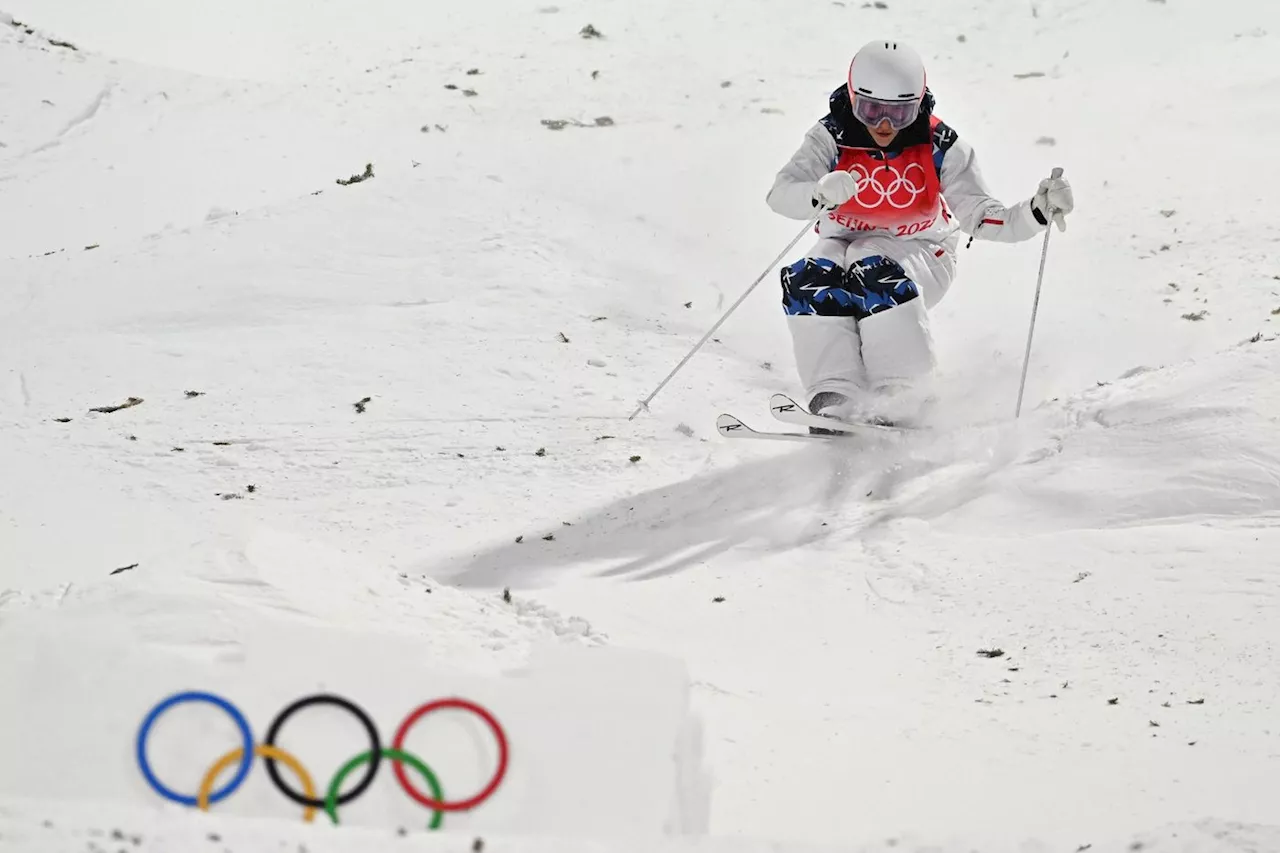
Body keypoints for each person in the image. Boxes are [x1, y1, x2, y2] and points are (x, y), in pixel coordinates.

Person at [766, 39, 1074, 432]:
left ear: (919, 105)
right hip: (843, 246)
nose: (883, 125)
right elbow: (780, 194)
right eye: (871, 109)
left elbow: (981, 216)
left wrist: (1036, 212)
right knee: (809, 275)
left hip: (924, 254)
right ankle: (835, 393)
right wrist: (818, 192)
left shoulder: (940, 145)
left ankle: (904, 392)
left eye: (900, 113)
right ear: (851, 97)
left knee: (870, 263)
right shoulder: (830, 136)